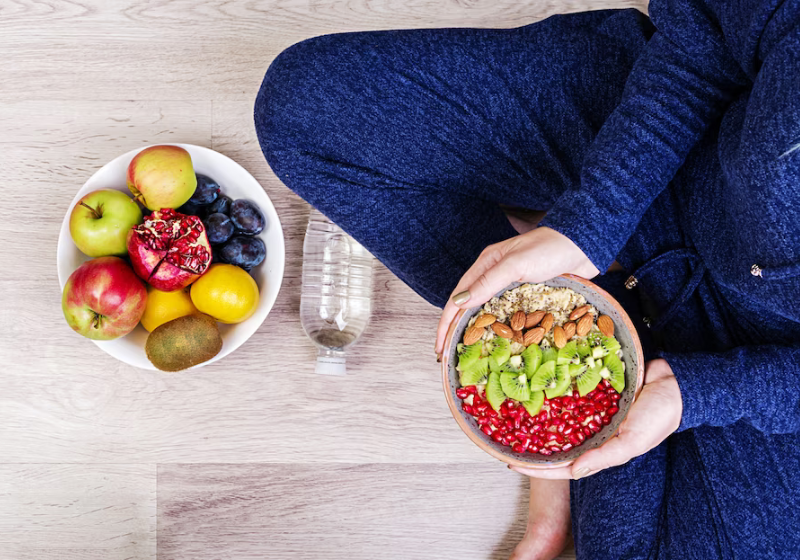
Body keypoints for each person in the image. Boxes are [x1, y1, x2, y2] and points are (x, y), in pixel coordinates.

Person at [254, 0, 800, 557]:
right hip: (670, 150)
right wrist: (588, 221)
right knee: (306, 110)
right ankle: (579, 290)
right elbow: (702, 33)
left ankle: (597, 322)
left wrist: (704, 394)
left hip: (771, 377)